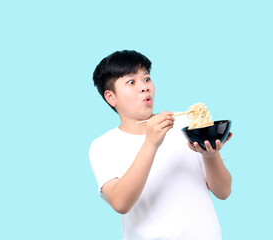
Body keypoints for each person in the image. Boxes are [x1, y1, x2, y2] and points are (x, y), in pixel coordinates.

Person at [89, 50, 233, 240]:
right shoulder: (103, 146)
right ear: (111, 97)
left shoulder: (186, 125)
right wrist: (151, 143)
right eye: (131, 82)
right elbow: (120, 203)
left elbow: (224, 192)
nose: (144, 87)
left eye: (146, 79)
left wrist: (210, 155)